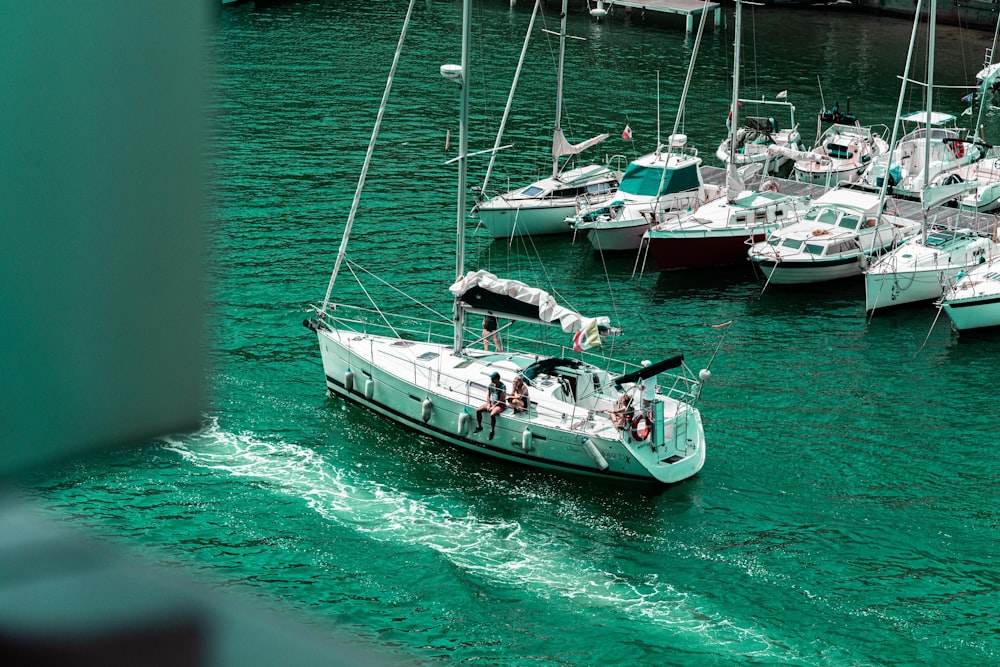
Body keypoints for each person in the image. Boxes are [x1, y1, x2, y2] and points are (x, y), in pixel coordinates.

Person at [475, 371, 506, 439]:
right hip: (492, 403)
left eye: (493, 379)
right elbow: (488, 395)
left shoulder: (502, 387)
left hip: (500, 405)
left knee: (492, 414)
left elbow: (502, 399)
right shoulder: (491, 385)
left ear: (497, 379)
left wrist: (494, 406)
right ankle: (479, 426)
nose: (491, 380)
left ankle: (492, 431)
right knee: (478, 410)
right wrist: (489, 404)